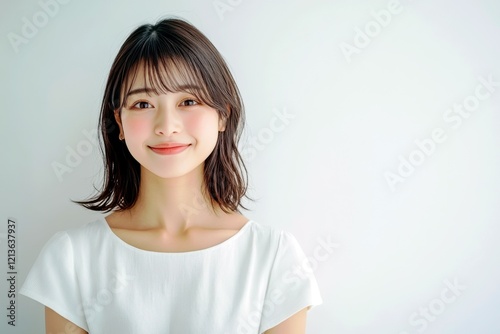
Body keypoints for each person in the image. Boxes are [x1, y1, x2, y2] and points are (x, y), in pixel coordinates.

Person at [20, 17, 323, 334]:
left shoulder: (273, 258)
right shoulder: (71, 258)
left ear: (222, 115)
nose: (167, 125)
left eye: (188, 101)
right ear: (119, 123)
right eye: (143, 103)